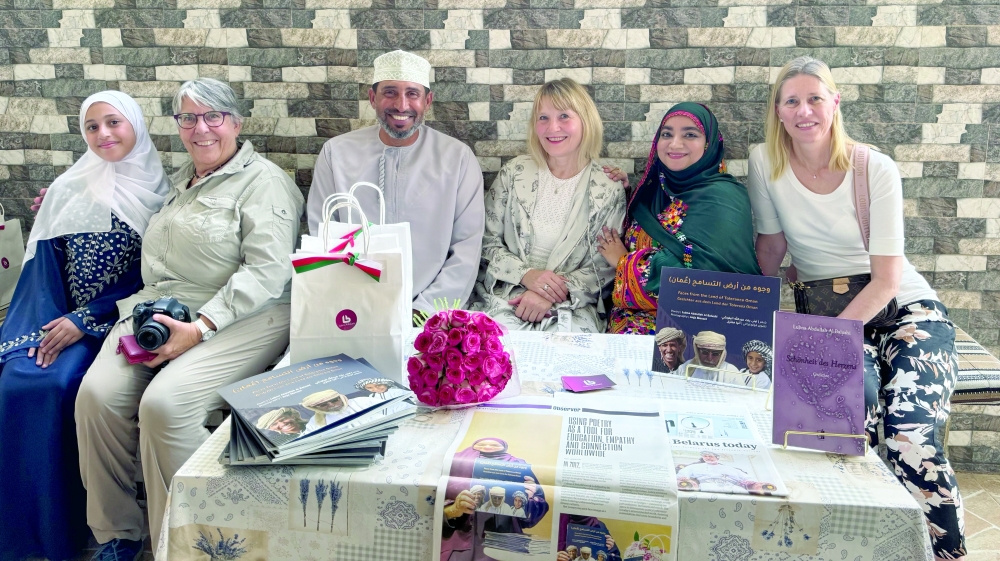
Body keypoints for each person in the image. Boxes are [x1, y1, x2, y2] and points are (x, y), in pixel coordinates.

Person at [74, 78, 304, 560]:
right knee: (96, 397)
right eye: (188, 118)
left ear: (236, 124)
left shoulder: (264, 181)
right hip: (160, 309)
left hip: (243, 314)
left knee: (165, 404)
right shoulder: (181, 181)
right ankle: (118, 534)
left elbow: (267, 271)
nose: (201, 128)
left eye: (213, 116)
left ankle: (189, 544)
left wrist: (199, 328)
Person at [749, 55, 966, 560]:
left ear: (835, 103)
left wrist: (826, 341)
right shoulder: (764, 161)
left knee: (911, 433)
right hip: (829, 313)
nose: (805, 111)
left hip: (906, 311)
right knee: (844, 427)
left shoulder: (875, 168)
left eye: (815, 99)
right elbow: (771, 250)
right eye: (792, 101)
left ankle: (947, 552)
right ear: (778, 111)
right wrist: (750, 313)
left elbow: (889, 278)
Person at [0, 91, 168, 561]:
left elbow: (158, 278)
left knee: (57, 382)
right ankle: (31, 538)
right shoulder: (68, 189)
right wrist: (33, 333)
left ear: (136, 126)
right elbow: (43, 271)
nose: (103, 135)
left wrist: (88, 319)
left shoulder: (166, 193)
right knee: (19, 377)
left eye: (114, 122)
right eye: (92, 127)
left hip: (124, 321)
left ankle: (76, 529)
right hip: (59, 320)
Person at [308, 50, 485, 320]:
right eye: (390, 92)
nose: (401, 105)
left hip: (432, 311)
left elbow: (467, 249)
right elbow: (323, 235)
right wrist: (352, 305)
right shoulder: (336, 153)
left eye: (412, 94)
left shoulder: (457, 158)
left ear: (427, 101)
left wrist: (423, 312)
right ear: (372, 98)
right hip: (352, 306)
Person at [469, 78, 626, 332]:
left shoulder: (607, 187)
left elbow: (605, 266)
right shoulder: (514, 172)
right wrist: (527, 275)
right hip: (507, 292)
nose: (553, 127)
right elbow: (485, 241)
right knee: (492, 352)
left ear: (586, 120)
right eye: (543, 118)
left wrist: (549, 292)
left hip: (572, 305)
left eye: (564, 116)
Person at [597, 102, 761, 335]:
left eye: (690, 134)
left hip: (698, 335)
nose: (674, 143)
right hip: (628, 327)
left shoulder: (724, 199)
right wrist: (622, 195)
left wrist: (623, 261)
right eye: (667, 134)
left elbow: (699, 283)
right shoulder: (654, 190)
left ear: (709, 143)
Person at [441, 437, 548, 561]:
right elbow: (431, 507)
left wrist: (529, 500)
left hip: (506, 542)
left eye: (494, 445)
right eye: (481, 444)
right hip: (460, 542)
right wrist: (454, 509)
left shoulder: (519, 465)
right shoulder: (454, 462)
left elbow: (535, 513)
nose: (487, 447)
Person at [676, 451, 757, 493]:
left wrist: (749, 482)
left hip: (732, 486)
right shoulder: (695, 467)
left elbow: (748, 478)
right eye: (705, 456)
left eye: (710, 456)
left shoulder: (731, 468)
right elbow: (682, 474)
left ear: (717, 458)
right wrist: (684, 479)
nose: (708, 458)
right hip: (708, 485)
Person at [676, 331, 741, 383]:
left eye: (715, 354)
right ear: (697, 351)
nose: (709, 358)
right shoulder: (686, 367)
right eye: (705, 352)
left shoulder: (731, 372)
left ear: (721, 354)